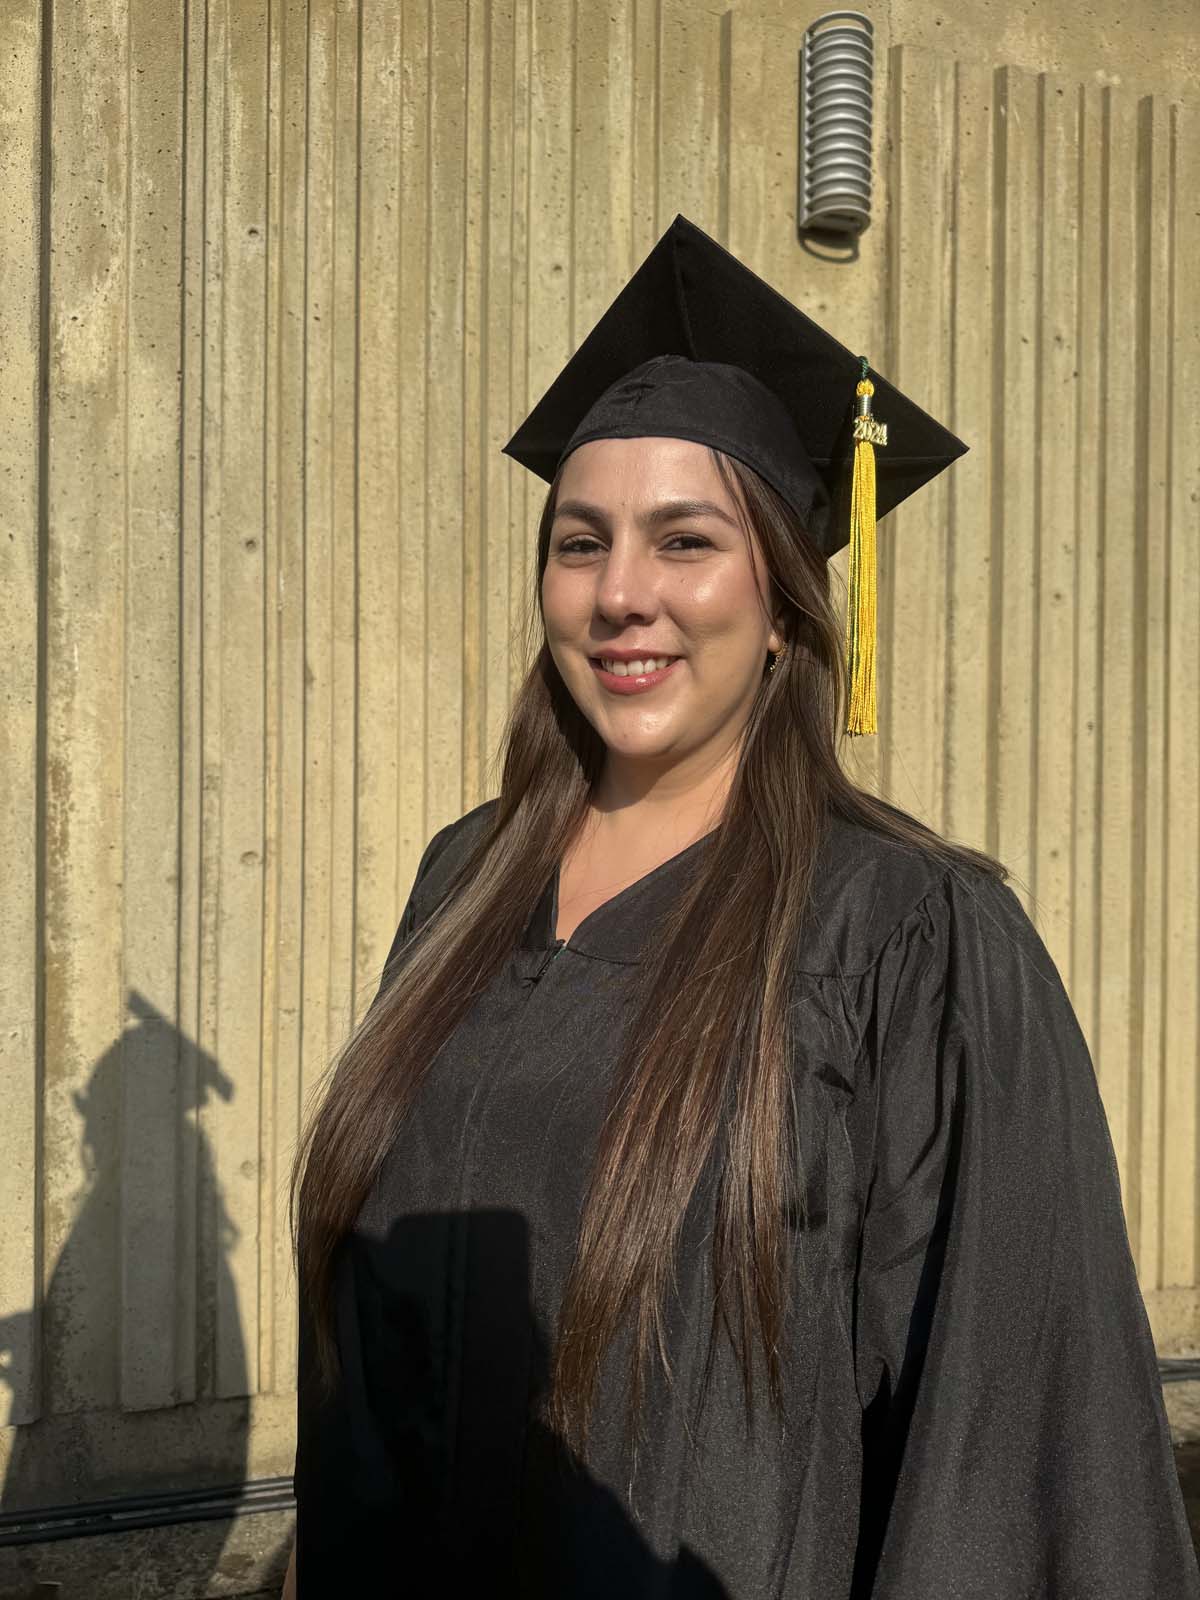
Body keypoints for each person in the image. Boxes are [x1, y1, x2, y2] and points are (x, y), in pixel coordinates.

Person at [282, 216, 1200, 1598]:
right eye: (580, 543)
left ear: (783, 602)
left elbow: (1012, 1436)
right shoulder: (464, 879)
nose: (622, 595)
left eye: (685, 540)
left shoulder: (906, 936)